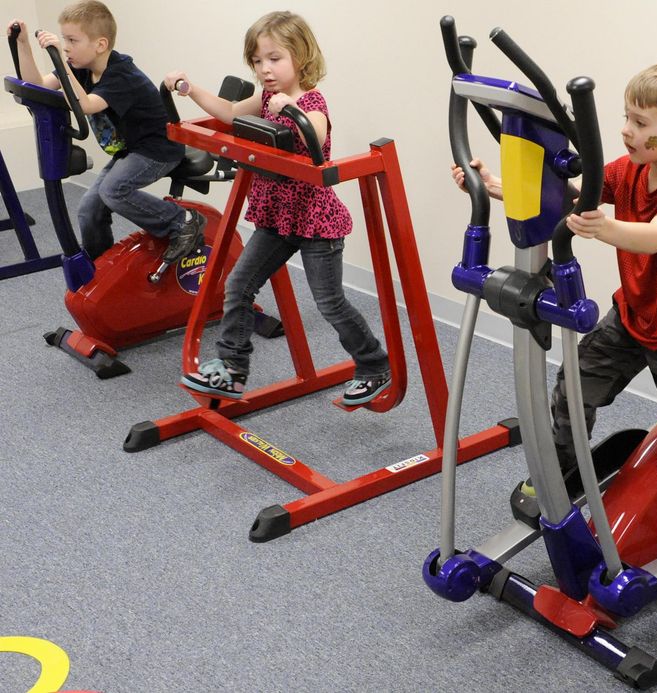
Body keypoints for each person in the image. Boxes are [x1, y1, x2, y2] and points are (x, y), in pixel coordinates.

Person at [452, 62, 657, 542]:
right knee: (574, 386)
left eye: (640, 123)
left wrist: (604, 228)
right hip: (631, 316)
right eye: (626, 117)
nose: (625, 130)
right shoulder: (629, 169)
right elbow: (566, 198)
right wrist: (492, 185)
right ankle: (561, 471)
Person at [164, 11, 390, 406]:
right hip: (276, 219)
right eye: (256, 60)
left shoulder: (310, 101)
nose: (264, 69)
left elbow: (316, 131)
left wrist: (292, 111)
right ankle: (232, 369)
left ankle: (374, 365)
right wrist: (189, 88)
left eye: (274, 58)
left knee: (329, 303)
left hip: (316, 222)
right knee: (238, 285)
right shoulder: (265, 97)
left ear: (300, 57)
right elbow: (231, 113)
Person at [6, 1, 205, 263]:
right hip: (130, 149)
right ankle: (100, 265)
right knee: (89, 209)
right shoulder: (80, 65)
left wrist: (63, 66)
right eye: (64, 39)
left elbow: (86, 105)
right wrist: (23, 44)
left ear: (100, 45)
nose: (65, 47)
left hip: (159, 150)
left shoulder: (122, 75)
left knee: (113, 191)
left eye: (72, 40)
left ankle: (183, 221)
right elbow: (40, 84)